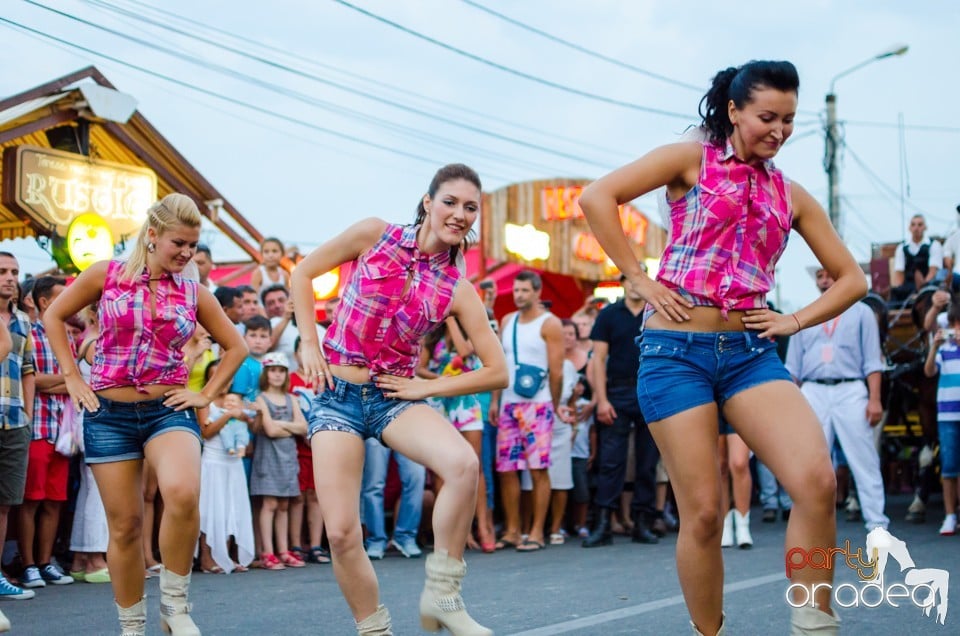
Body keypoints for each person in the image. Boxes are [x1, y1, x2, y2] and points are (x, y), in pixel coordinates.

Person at [579, 61, 866, 635]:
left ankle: (814, 623)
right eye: (766, 117)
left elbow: (852, 278)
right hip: (673, 353)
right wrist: (638, 278)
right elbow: (596, 197)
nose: (778, 130)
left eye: (788, 120)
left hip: (749, 354)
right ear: (734, 111)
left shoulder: (792, 193)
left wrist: (794, 319)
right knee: (705, 514)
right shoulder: (691, 160)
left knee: (816, 482)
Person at [291, 163, 507, 635]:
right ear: (428, 203)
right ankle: (375, 630)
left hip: (394, 398)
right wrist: (309, 341)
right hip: (336, 396)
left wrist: (427, 387)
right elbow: (303, 272)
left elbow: (497, 371)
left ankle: (443, 595)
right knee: (343, 532)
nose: (459, 214)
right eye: (450, 202)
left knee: (463, 465)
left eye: (470, 207)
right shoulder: (375, 234)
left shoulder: (457, 288)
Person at [43, 193, 247, 636]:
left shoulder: (194, 291)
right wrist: (73, 378)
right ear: (152, 236)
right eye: (180, 243)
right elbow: (55, 315)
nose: (187, 254)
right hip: (107, 412)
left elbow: (237, 346)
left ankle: (174, 606)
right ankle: (132, 626)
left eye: (193, 246)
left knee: (182, 492)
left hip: (167, 410)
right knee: (126, 526)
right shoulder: (106, 274)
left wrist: (206, 393)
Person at [786, 267, 888, 533]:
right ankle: (809, 520)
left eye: (829, 274)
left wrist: (874, 399)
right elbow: (793, 367)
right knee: (809, 459)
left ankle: (877, 522)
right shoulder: (805, 311)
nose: (824, 280)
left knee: (863, 457)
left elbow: (873, 361)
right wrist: (790, 405)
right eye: (820, 276)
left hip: (850, 388)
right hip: (813, 390)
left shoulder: (862, 312)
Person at [582, 271, 661, 548]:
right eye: (628, 279)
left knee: (647, 461)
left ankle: (643, 523)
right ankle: (603, 524)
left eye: (638, 279)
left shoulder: (657, 311)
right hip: (616, 392)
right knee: (610, 461)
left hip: (651, 390)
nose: (633, 285)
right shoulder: (609, 315)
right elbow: (598, 359)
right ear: (624, 284)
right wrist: (601, 399)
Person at [491, 270, 564, 553]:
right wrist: (496, 401)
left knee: (537, 468)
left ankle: (536, 531)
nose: (518, 295)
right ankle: (512, 530)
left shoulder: (550, 323)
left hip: (539, 403)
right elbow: (499, 365)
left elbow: (557, 371)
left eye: (524, 290)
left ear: (537, 292)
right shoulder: (507, 321)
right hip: (509, 402)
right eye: (516, 290)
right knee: (507, 469)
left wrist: (555, 404)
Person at [419, 317, 494, 552]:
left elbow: (465, 352)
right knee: (443, 468)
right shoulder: (431, 335)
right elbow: (419, 368)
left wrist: (452, 319)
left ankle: (483, 526)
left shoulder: (471, 329)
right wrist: (438, 380)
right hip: (441, 402)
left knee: (475, 465)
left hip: (466, 401)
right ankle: (457, 530)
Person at [20, 276, 74, 589]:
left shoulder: (68, 337)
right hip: (37, 425)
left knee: (54, 500)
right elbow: (32, 378)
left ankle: (45, 561)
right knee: (31, 500)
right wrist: (64, 382)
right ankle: (27, 564)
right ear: (43, 302)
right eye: (62, 296)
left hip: (63, 431)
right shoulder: (29, 331)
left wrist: (58, 381)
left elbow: (74, 379)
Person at [0, 253, 37, 608]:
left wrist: (27, 414)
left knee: (5, 504)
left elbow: (28, 369)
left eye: (14, 272)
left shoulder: (24, 321)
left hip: (14, 420)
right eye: (2, 272)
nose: (10, 278)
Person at [196, 360, 254, 575]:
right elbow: (207, 432)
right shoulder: (204, 402)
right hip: (213, 462)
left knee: (232, 508)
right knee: (210, 510)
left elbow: (251, 425)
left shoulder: (237, 401)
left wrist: (251, 414)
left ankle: (228, 556)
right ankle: (207, 557)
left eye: (226, 375)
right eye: (214, 375)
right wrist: (229, 414)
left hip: (233, 462)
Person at [250, 352, 306, 570]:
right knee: (270, 503)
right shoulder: (260, 398)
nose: (277, 375)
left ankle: (283, 550)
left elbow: (304, 427)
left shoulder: (292, 399)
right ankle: (267, 551)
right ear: (266, 373)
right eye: (273, 370)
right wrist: (289, 426)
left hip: (288, 458)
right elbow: (270, 431)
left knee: (284, 504)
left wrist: (280, 424)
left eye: (281, 370)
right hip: (268, 456)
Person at [69, 305, 110, 584]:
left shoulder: (92, 337)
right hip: (99, 419)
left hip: (94, 419)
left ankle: (81, 559)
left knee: (91, 491)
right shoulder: (96, 341)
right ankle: (95, 558)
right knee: (100, 491)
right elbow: (110, 382)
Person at [923, 302, 960, 536]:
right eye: (953, 325)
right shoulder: (943, 347)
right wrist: (934, 347)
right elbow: (928, 372)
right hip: (947, 414)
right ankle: (949, 515)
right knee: (948, 466)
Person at [890, 214, 942, 306]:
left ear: (925, 227)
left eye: (920, 224)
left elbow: (933, 271)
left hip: (928, 286)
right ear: (909, 228)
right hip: (908, 287)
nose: (916, 228)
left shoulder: (934, 245)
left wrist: (922, 288)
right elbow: (899, 274)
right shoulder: (902, 248)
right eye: (913, 225)